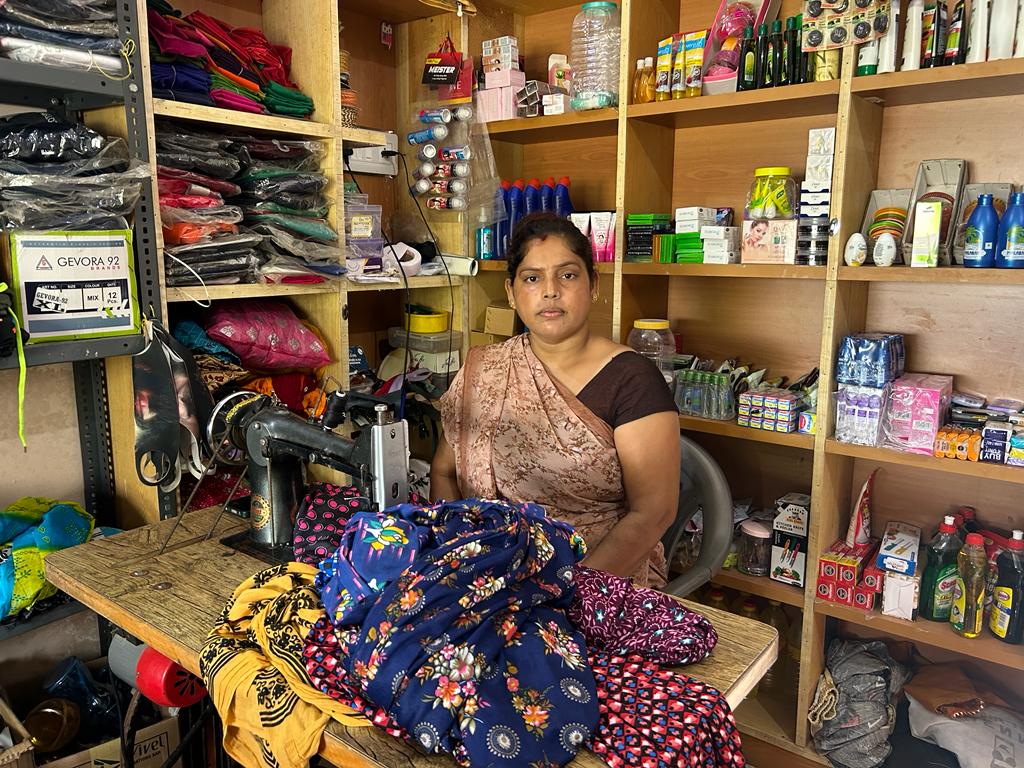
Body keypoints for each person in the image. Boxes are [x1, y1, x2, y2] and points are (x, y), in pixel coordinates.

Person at [432, 213, 680, 588]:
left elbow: (653, 513)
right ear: (512, 292)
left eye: (567, 275)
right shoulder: (484, 368)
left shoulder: (633, 381)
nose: (550, 290)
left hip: (598, 582)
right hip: (486, 572)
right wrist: (458, 563)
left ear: (593, 284)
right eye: (532, 278)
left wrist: (566, 590)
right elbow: (444, 472)